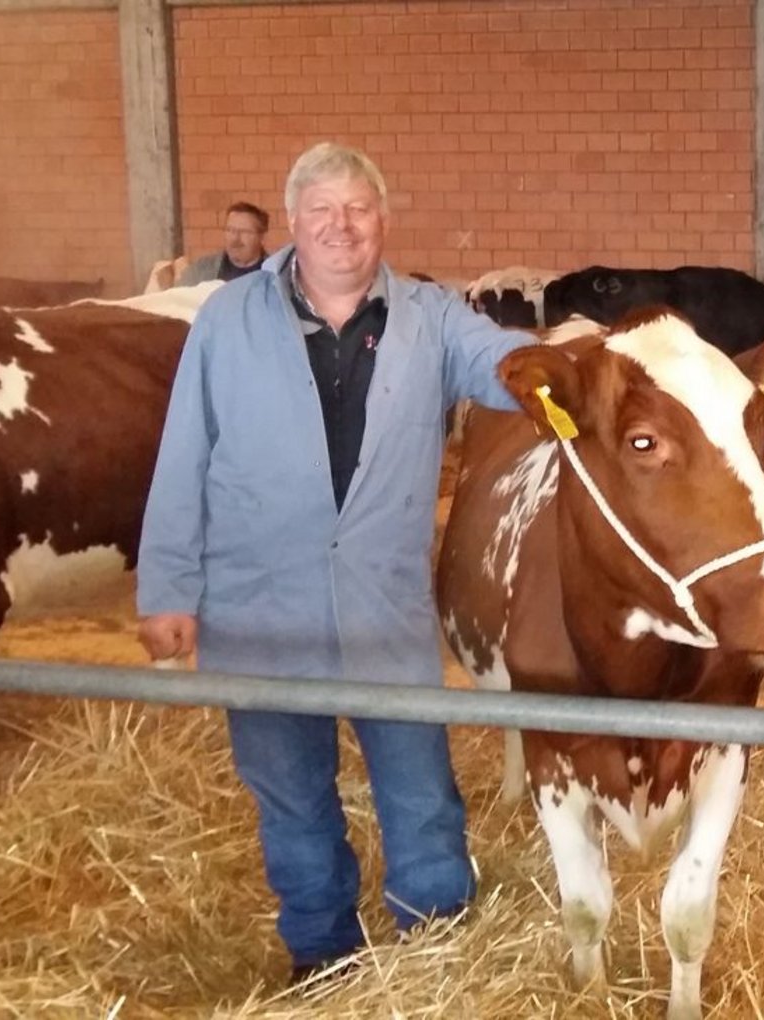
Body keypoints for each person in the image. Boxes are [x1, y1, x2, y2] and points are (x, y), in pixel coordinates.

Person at [136, 142, 534, 982]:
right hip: (260, 607)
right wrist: (169, 588)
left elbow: (511, 370)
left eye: (357, 208)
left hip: (382, 606)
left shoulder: (432, 316)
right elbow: (183, 454)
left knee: (419, 788)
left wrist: (598, 368)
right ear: (292, 221)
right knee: (291, 795)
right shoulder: (227, 319)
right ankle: (322, 954)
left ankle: (436, 944)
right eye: (321, 210)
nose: (340, 226)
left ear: (382, 219)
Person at [176, 200, 272, 285]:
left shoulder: (275, 273)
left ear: (262, 237)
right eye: (230, 230)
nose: (235, 238)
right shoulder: (201, 270)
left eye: (244, 231)